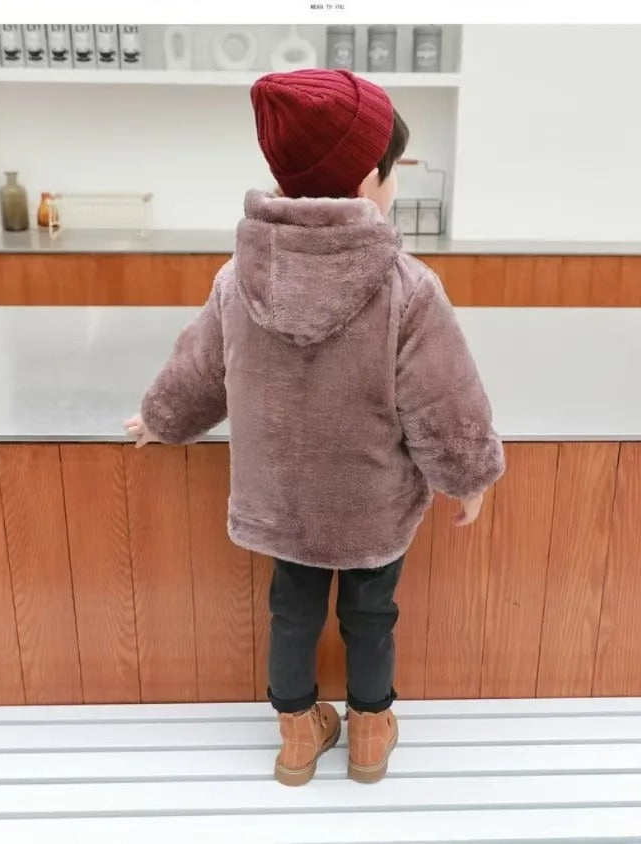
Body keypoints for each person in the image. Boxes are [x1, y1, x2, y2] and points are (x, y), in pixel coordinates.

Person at [124, 68, 504, 787]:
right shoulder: (408, 287)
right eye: (391, 169)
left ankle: (297, 737)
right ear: (367, 180)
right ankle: (370, 735)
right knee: (371, 612)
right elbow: (444, 400)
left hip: (283, 503)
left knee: (292, 613)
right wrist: (469, 476)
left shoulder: (237, 279)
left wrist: (160, 418)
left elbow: (202, 370)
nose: (394, 182)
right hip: (371, 505)